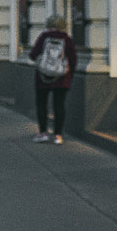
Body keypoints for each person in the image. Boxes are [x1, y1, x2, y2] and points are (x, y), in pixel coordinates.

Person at [29, 14, 77, 143]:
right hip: (62, 79)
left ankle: (43, 133)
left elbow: (33, 54)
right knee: (59, 106)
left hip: (43, 78)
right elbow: (73, 60)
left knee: (42, 105)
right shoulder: (67, 39)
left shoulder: (44, 37)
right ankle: (58, 135)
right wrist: (69, 75)